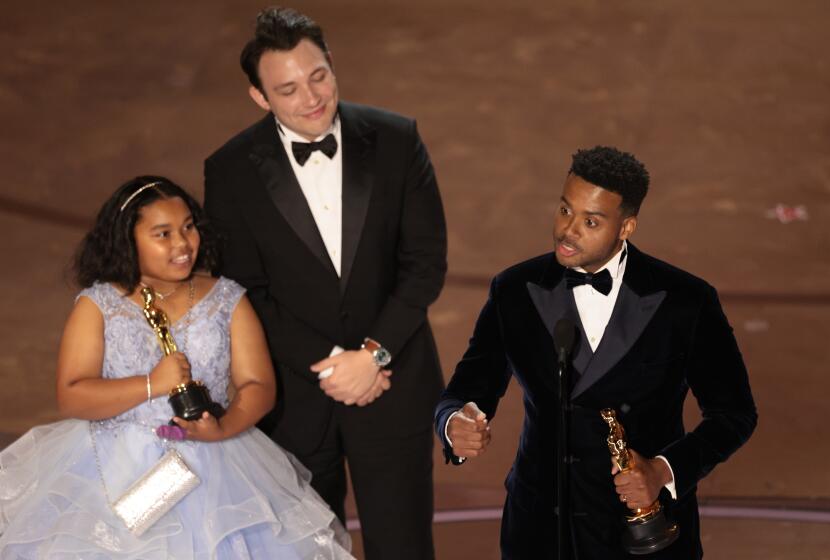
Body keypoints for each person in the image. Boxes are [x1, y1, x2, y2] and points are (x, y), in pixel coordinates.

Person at [0, 176, 353, 559]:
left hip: (218, 466)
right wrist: (151, 384)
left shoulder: (227, 297)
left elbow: (258, 384)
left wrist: (223, 427)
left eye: (188, 227)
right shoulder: (98, 304)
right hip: (117, 472)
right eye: (163, 234)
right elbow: (72, 395)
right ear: (127, 240)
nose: (183, 243)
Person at [203, 8, 447, 559]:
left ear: (332, 65)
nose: (311, 98)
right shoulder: (231, 170)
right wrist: (335, 363)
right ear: (260, 97)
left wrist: (372, 355)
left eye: (318, 76)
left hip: (392, 385)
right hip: (294, 402)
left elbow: (424, 263)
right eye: (287, 89)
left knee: (404, 548)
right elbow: (244, 293)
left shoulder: (397, 139)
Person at [435, 146, 757, 559]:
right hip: (539, 532)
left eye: (590, 221)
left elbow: (734, 414)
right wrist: (453, 423)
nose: (567, 231)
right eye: (564, 210)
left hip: (644, 532)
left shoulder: (686, 301)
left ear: (626, 227)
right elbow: (465, 391)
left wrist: (662, 470)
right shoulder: (514, 291)